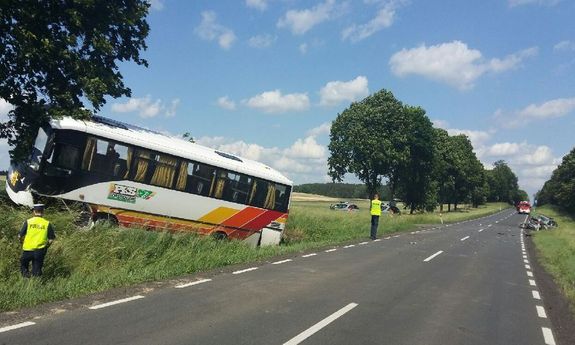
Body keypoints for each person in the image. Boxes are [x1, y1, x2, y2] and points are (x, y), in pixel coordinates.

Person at [18, 204, 55, 277]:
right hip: (40, 250)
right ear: (43, 212)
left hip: (27, 250)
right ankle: (35, 283)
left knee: (24, 265)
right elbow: (51, 239)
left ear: (34, 212)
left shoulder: (28, 222)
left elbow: (20, 236)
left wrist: (21, 242)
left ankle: (26, 279)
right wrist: (46, 247)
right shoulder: (47, 223)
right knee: (37, 271)